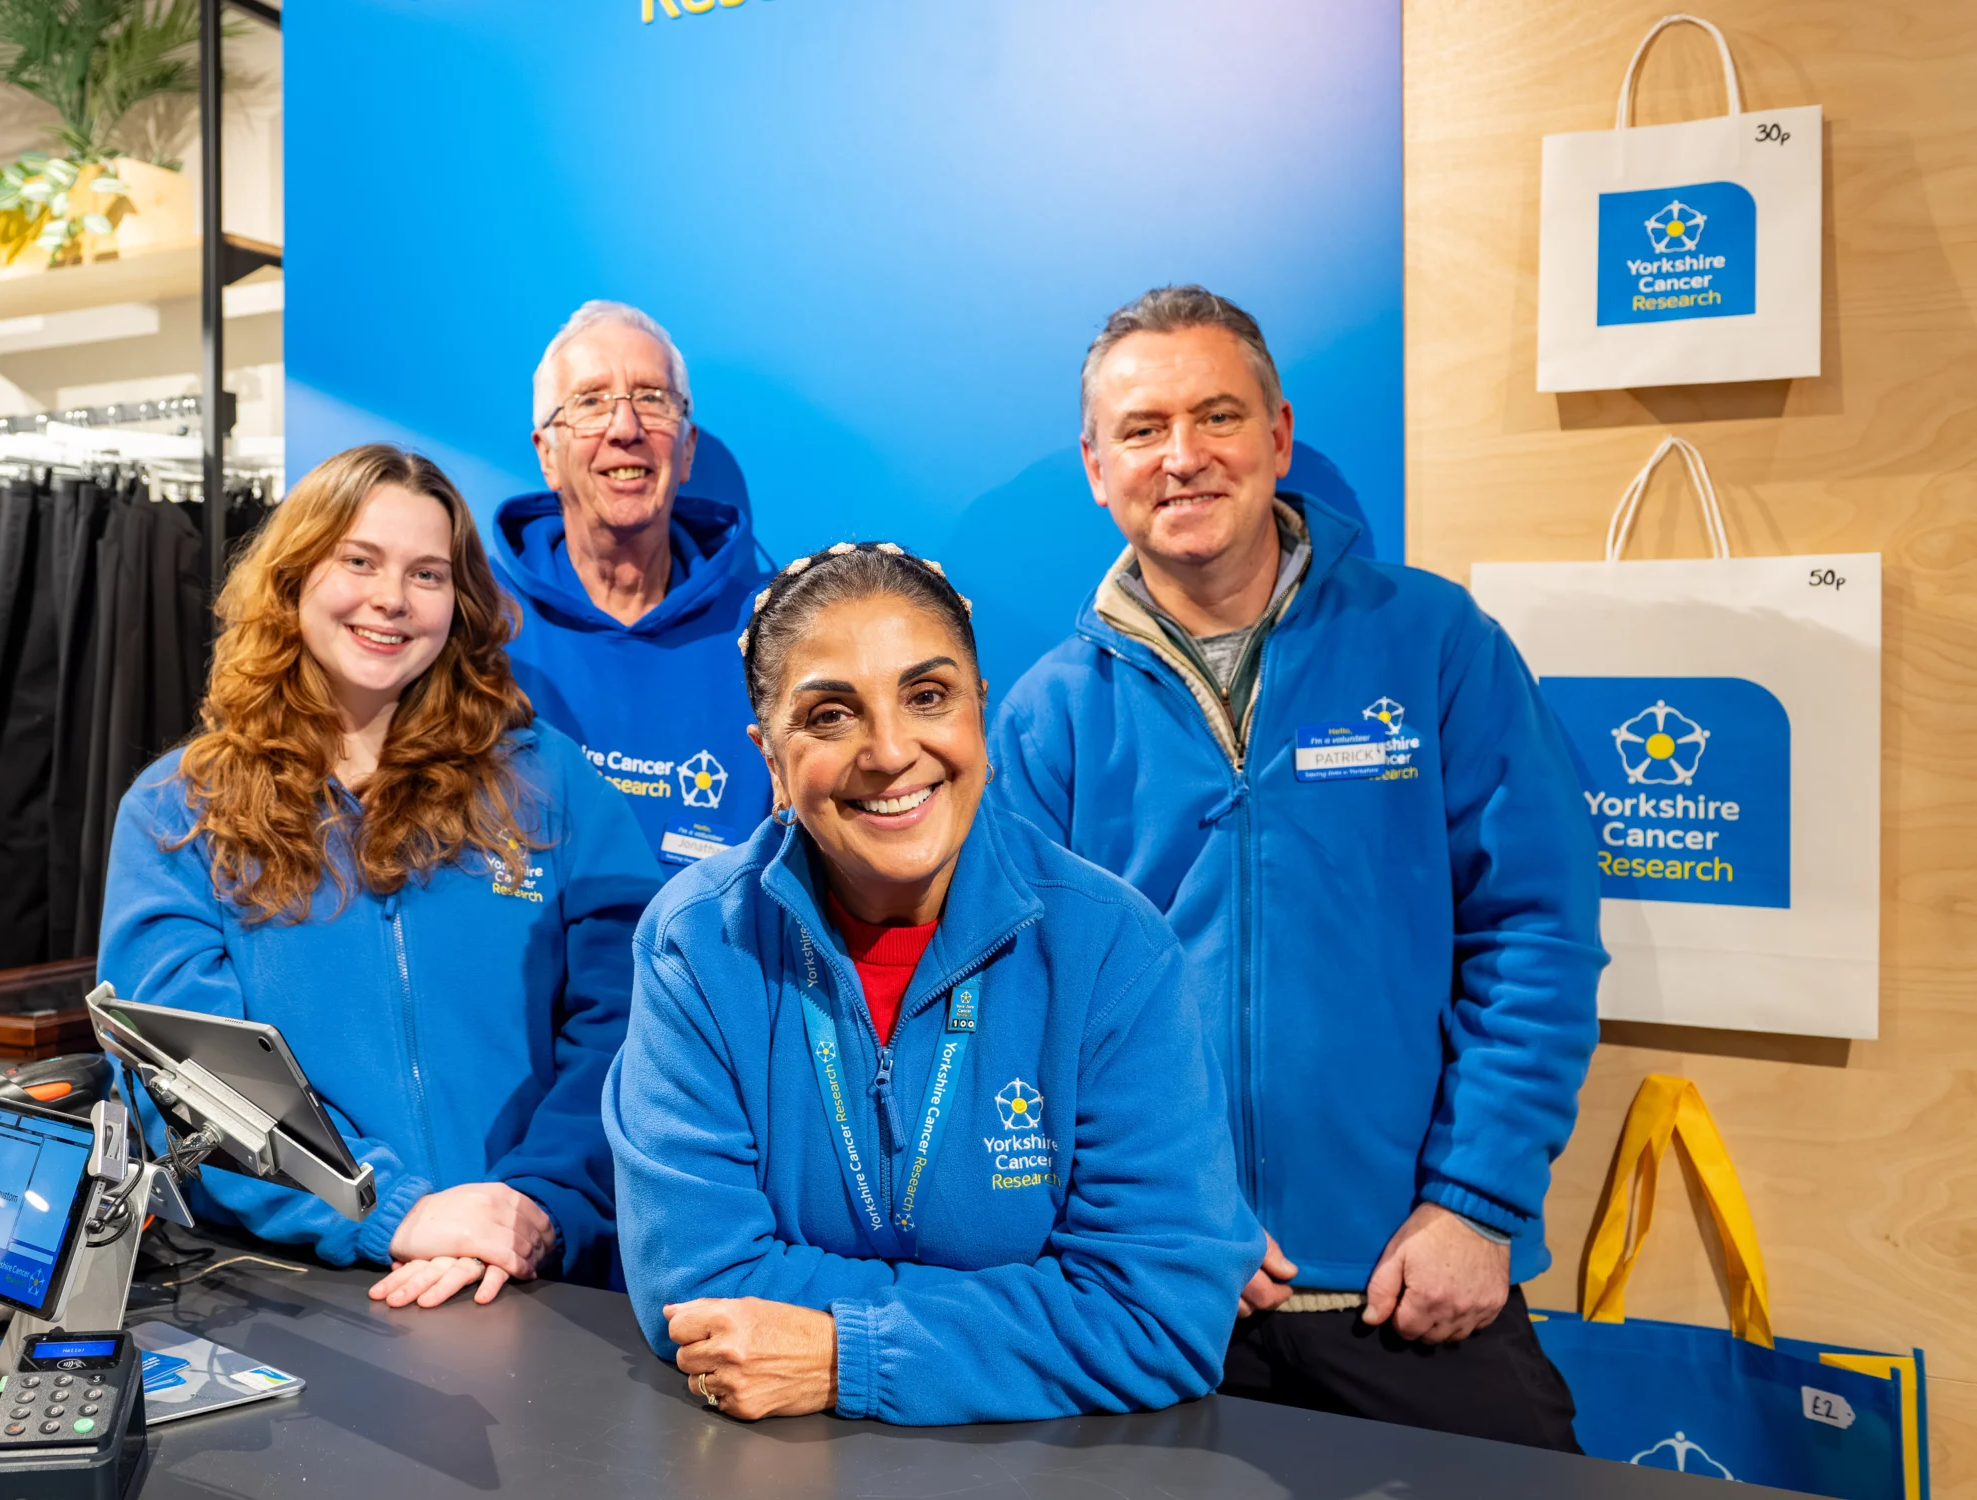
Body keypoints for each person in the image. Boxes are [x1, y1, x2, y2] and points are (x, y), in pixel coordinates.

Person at [990, 285, 1604, 1449]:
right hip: (1159, 1300)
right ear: (1094, 465)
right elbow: (1025, 1012)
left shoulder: (1433, 645)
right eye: (1141, 429)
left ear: (1276, 436)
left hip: (1409, 1289)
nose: (1181, 458)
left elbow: (1533, 935)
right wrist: (1153, 1220)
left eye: (1216, 417)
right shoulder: (1045, 720)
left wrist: (1476, 1203)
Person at [606, 541, 1261, 1424]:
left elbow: (1159, 1314)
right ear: (769, 757)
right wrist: (1033, 1312)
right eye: (831, 716)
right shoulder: (696, 944)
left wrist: (853, 1353)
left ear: (979, 711)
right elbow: (700, 1284)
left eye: (927, 696)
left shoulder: (1110, 948)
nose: (888, 751)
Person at [100, 444, 663, 1306]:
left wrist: (533, 1204)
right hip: (299, 1299)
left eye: (427, 574)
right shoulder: (177, 814)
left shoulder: (551, 783)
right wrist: (391, 1210)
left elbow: (633, 1027)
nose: (391, 599)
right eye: (357, 561)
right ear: (292, 580)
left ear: (460, 601)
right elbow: (184, 1077)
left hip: (546, 1282)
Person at [493, 301, 774, 875]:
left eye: (651, 398)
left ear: (687, 447)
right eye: (591, 402)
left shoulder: (770, 631)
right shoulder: (476, 623)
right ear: (547, 454)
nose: (625, 429)